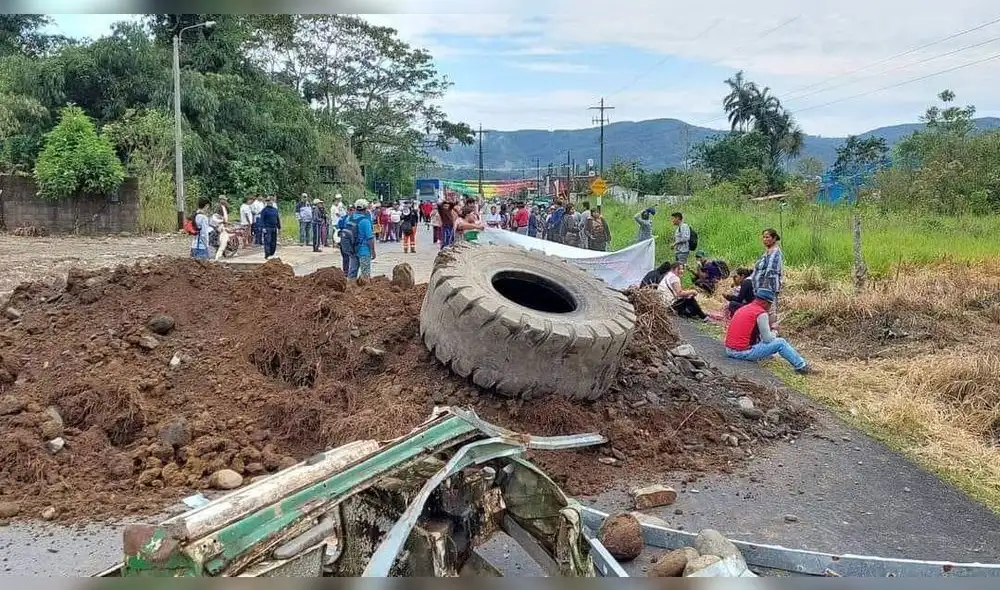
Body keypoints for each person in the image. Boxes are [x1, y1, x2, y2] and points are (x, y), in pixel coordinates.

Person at [724, 289, 812, 374]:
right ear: (766, 303)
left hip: (729, 350)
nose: (770, 307)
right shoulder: (761, 313)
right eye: (770, 304)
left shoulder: (745, 308)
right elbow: (767, 339)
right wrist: (775, 330)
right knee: (781, 343)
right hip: (740, 353)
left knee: (767, 344)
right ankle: (801, 366)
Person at [752, 228, 784, 324]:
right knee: (762, 313)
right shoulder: (767, 251)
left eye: (767, 237)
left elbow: (771, 272)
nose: (765, 239)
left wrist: (764, 289)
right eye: (764, 237)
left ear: (774, 239)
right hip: (760, 289)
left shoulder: (775, 252)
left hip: (768, 290)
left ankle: (770, 333)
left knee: (770, 313)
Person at [348, 199, 376, 279]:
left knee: (352, 273)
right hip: (364, 250)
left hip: (353, 250)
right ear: (365, 208)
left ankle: (350, 289)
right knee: (365, 275)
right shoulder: (365, 221)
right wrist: (373, 251)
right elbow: (370, 238)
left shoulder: (350, 219)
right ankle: (364, 291)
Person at [337, 205, 356, 273]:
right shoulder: (343, 219)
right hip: (345, 240)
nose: (352, 212)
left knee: (349, 257)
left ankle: (348, 272)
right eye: (350, 210)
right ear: (347, 211)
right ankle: (346, 272)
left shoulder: (355, 219)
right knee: (346, 257)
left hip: (349, 240)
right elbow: (338, 229)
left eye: (353, 210)